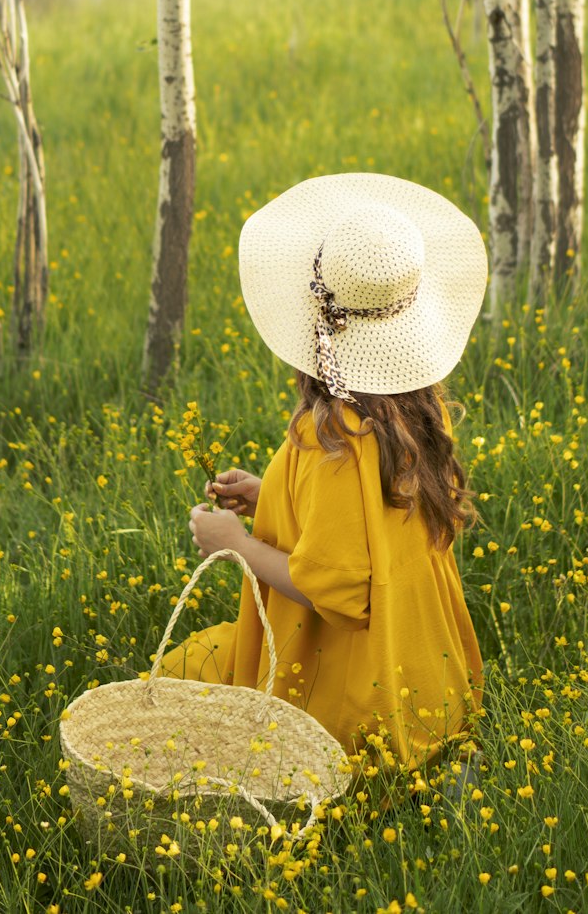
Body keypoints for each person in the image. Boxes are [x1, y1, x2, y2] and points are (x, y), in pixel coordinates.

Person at [159, 172, 488, 775]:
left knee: (180, 682)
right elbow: (369, 524)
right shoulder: (414, 411)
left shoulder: (331, 437)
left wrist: (234, 543)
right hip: (418, 674)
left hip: (351, 693)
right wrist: (272, 495)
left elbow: (333, 591)